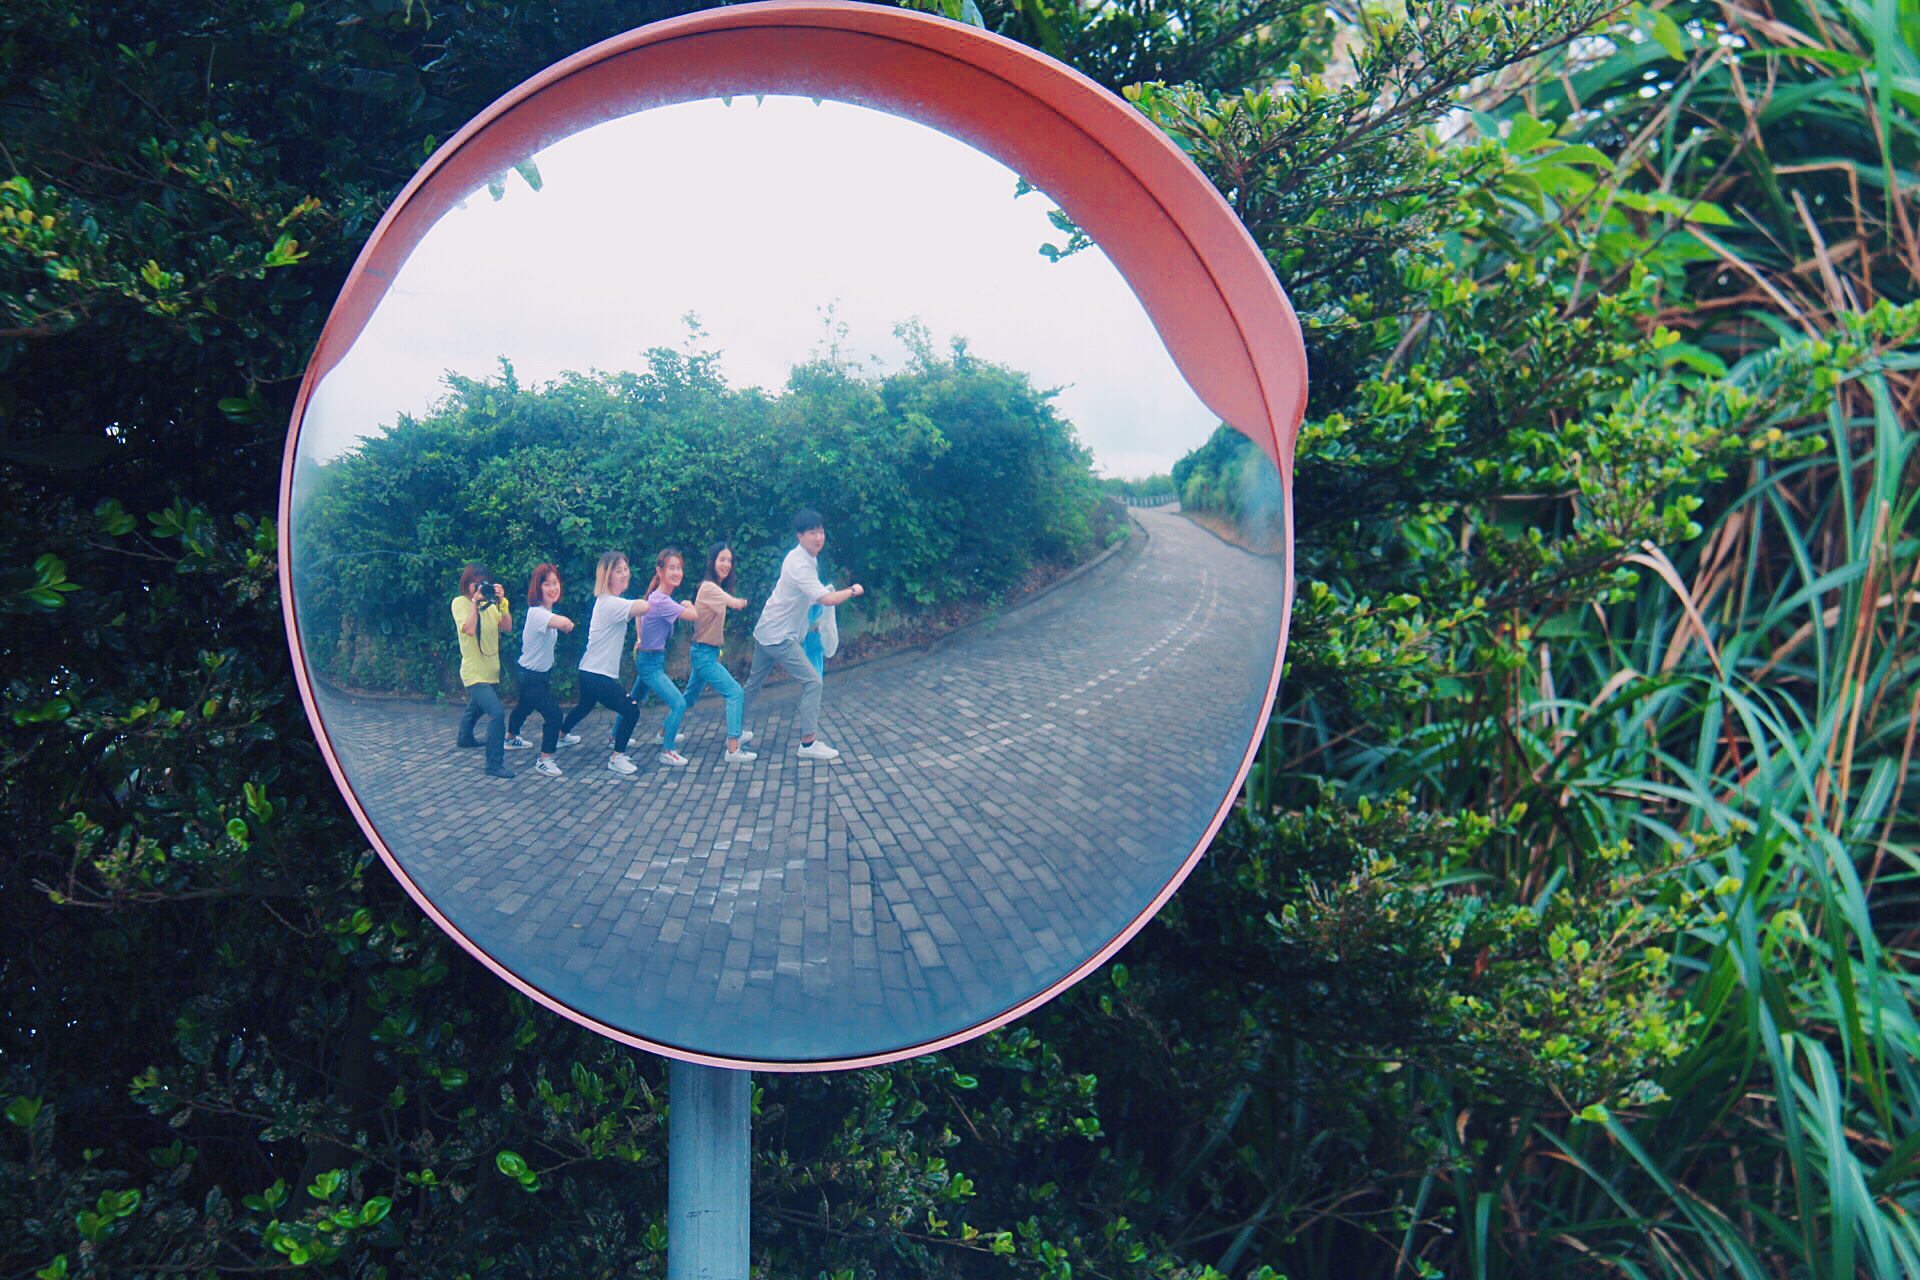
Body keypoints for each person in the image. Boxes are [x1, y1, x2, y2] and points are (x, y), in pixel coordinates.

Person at [740, 507, 864, 760]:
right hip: (779, 636)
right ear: (799, 536)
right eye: (812, 532)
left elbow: (807, 596)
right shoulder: (800, 564)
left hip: (766, 629)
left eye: (821, 531)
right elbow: (826, 599)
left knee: (753, 684)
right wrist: (852, 591)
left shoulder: (803, 557)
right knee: (813, 682)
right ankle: (808, 744)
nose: (819, 537)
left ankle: (734, 730)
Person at [558, 551, 652, 776]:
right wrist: (656, 596)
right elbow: (643, 607)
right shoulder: (610, 603)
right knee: (631, 710)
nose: (625, 574)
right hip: (598, 675)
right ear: (607, 576)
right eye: (618, 571)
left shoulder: (607, 602)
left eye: (626, 569)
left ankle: (560, 735)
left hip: (588, 671)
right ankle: (616, 757)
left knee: (584, 706)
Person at [677, 542, 756, 763]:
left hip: (707, 653)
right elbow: (735, 603)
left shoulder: (715, 588)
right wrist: (749, 601)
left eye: (729, 560)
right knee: (735, 693)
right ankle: (733, 749)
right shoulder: (709, 588)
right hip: (704, 655)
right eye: (722, 559)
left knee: (688, 698)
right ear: (712, 562)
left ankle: (664, 733)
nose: (726, 564)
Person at [504, 562, 582, 777]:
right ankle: (545, 760)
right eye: (546, 584)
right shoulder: (536, 613)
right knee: (554, 714)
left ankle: (510, 738)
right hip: (530, 676)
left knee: (524, 707)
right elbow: (561, 621)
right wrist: (567, 623)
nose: (553, 588)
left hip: (536, 674)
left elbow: (555, 622)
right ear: (537, 588)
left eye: (555, 583)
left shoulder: (545, 612)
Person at [627, 548, 700, 768]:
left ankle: (615, 736)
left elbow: (639, 614)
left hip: (650, 659)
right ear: (660, 571)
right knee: (678, 703)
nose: (677, 572)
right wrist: (688, 603)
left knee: (634, 700)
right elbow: (693, 615)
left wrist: (640, 638)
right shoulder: (662, 601)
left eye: (679, 568)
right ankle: (667, 750)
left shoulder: (657, 597)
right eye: (671, 568)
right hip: (650, 663)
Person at [451, 563, 515, 779]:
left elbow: (507, 627)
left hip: (491, 672)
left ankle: (464, 738)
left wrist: (502, 603)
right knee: (497, 713)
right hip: (474, 673)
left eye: (482, 583)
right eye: (474, 583)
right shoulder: (460, 603)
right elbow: (469, 629)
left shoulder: (491, 605)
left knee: (476, 707)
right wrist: (475, 603)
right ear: (466, 584)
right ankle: (494, 765)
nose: (478, 587)